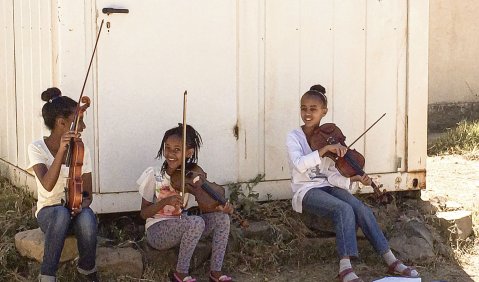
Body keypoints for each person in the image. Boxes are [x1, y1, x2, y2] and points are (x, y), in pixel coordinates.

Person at [286, 84, 419, 282]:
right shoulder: (294, 137)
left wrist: (352, 178)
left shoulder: (328, 137)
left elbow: (331, 176)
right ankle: (345, 268)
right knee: (343, 209)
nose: (307, 113)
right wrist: (323, 150)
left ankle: (390, 259)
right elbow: (298, 165)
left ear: (324, 111)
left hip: (327, 186)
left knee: (360, 208)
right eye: (304, 108)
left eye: (313, 109)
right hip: (305, 190)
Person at [137, 124, 233, 282]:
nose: (170, 154)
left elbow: (205, 207)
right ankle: (180, 274)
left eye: (177, 150)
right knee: (195, 222)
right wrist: (165, 201)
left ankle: (216, 272)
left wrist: (219, 206)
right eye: (167, 148)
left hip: (182, 226)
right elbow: (143, 213)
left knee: (222, 219)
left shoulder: (190, 176)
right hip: (157, 231)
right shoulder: (154, 175)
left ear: (189, 153)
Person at [27, 87, 98, 282]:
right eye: (79, 121)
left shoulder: (82, 150)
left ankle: (87, 271)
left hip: (73, 213)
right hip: (49, 214)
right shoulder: (36, 148)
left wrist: (81, 205)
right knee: (60, 212)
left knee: (88, 216)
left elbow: (88, 194)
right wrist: (61, 152)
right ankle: (48, 275)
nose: (82, 127)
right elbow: (48, 185)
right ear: (61, 123)